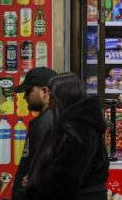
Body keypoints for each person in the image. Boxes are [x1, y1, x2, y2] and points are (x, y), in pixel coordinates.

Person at [23, 73, 109, 200]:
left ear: (61, 98)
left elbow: (64, 181)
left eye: (52, 97)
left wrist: (35, 184)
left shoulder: (79, 129)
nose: (49, 103)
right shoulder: (77, 124)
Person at [11, 66, 58, 200]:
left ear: (44, 92)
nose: (24, 96)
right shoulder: (47, 120)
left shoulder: (45, 124)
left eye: (28, 91)